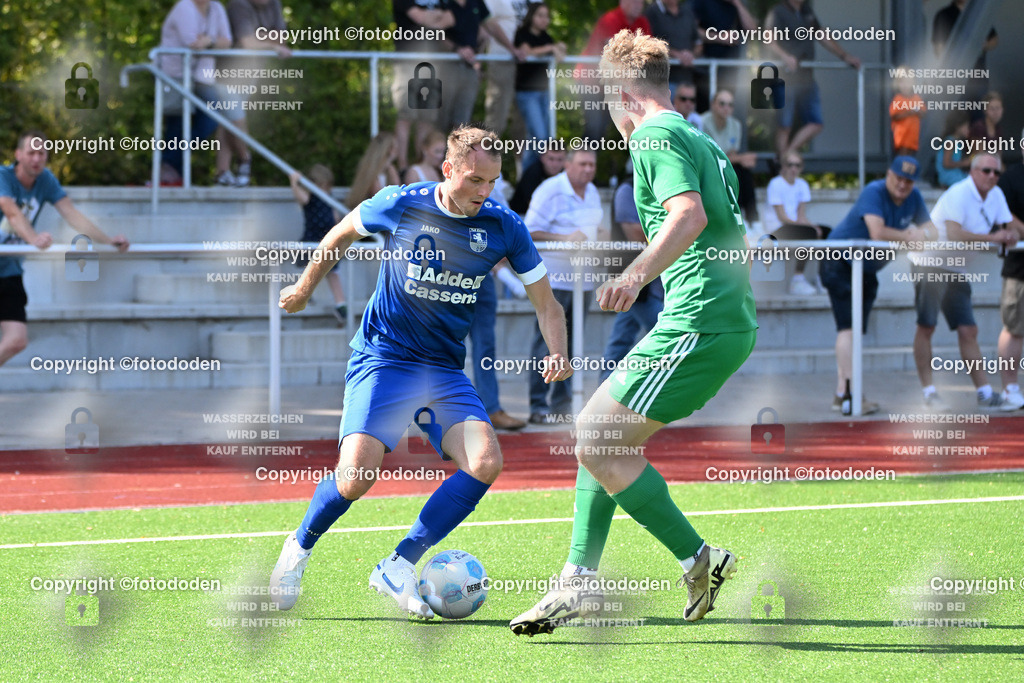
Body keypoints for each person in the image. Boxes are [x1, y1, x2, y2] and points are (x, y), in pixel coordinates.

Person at [510, 29, 757, 635]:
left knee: (595, 440)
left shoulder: (654, 134)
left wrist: (635, 273)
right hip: (714, 318)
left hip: (698, 321)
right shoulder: (698, 135)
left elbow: (689, 215)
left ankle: (696, 557)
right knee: (599, 437)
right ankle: (579, 581)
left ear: (623, 95)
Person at [269, 125, 571, 619]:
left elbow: (548, 304)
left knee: (485, 461)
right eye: (474, 180)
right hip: (384, 357)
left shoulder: (503, 225)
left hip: (442, 370)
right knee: (355, 477)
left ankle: (398, 563)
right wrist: (304, 288)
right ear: (447, 169)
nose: (483, 192)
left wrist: (557, 352)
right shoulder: (402, 202)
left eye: (492, 183)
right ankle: (297, 549)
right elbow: (340, 233)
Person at [0, 131, 130, 366]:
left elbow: (71, 214)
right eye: (31, 153)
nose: (36, 159)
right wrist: (33, 238)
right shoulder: (3, 176)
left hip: (8, 271)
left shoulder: (46, 180)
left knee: (17, 341)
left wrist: (107, 240)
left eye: (42, 154)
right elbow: (10, 210)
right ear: (18, 155)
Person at [820, 157, 937, 414]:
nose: (903, 185)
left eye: (909, 180)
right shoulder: (874, 191)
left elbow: (932, 230)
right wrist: (910, 236)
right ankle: (853, 393)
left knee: (854, 331)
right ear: (888, 174)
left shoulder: (914, 196)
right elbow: (877, 231)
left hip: (865, 268)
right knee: (848, 329)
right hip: (838, 261)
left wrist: (923, 234)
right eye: (899, 178)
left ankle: (843, 394)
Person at [909, 154, 1022, 411]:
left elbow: (1007, 225)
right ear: (973, 171)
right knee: (927, 327)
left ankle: (983, 393)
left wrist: (1011, 234)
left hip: (955, 267)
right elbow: (955, 233)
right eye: (986, 171)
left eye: (996, 173)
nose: (992, 176)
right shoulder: (959, 193)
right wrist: (994, 238)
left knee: (968, 330)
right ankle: (929, 392)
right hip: (929, 263)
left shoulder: (996, 196)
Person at [524, 149, 603, 423]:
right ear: (567, 165)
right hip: (553, 280)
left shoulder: (592, 191)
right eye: (582, 164)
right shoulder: (550, 190)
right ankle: (538, 406)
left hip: (584, 280)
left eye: (592, 164)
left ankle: (562, 407)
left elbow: (595, 229)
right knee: (546, 342)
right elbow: (529, 229)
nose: (588, 169)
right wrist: (565, 237)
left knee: (573, 344)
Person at [158, 0, 248, 186]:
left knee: (211, 118)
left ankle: (168, 164)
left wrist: (209, 40)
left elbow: (227, 42)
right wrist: (213, 42)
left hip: (201, 77)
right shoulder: (184, 7)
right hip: (175, 76)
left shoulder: (216, 8)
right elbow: (192, 43)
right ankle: (170, 172)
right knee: (177, 124)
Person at [764, 0, 861, 162]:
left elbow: (822, 35)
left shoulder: (806, 11)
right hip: (784, 78)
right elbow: (768, 40)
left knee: (816, 123)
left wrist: (845, 56)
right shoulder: (778, 11)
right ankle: (783, 166)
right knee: (784, 125)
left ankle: (783, 159)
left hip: (806, 78)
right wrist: (785, 56)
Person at [599, 160, 663, 382]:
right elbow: (635, 233)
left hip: (646, 281)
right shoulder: (627, 190)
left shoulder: (653, 190)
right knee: (663, 334)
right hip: (634, 280)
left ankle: (603, 390)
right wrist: (673, 234)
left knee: (621, 339)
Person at [391, 0, 455, 171]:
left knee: (427, 119)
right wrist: (435, 18)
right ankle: (403, 167)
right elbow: (420, 18)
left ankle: (421, 166)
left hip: (433, 63)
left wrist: (431, 18)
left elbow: (450, 19)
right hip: (407, 59)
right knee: (406, 116)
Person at [442, 0, 524, 131]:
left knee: (461, 125)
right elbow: (431, 31)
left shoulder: (476, 3)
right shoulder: (440, 2)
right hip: (442, 68)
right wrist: (457, 49)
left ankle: (457, 152)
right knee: (437, 122)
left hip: (468, 69)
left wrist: (512, 49)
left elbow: (491, 26)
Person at [577, 0, 651, 141]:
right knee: (594, 128)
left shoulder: (642, 22)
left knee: (608, 129)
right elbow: (615, 51)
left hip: (614, 85)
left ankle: (587, 161)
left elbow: (650, 51)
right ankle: (583, 161)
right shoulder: (610, 19)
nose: (639, 5)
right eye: (635, 2)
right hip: (590, 81)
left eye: (641, 2)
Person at [763, 151, 830, 295]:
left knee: (827, 231)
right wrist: (809, 228)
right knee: (808, 232)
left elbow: (801, 216)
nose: (793, 168)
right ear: (783, 166)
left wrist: (813, 227)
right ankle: (797, 280)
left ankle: (823, 277)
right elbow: (782, 217)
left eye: (797, 165)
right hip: (776, 231)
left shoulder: (802, 185)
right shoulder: (775, 184)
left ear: (801, 167)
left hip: (793, 226)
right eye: (790, 164)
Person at [289, 164, 346, 325]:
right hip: (312, 240)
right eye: (323, 187)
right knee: (308, 268)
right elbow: (301, 198)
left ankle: (340, 304)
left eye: (328, 187)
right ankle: (303, 294)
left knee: (333, 272)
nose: (326, 190)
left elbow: (336, 218)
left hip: (328, 240)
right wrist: (294, 182)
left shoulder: (330, 198)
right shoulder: (311, 198)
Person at [514, 3, 565, 172]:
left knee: (538, 139)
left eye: (547, 16)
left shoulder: (546, 37)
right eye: (540, 15)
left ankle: (527, 177)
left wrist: (559, 48)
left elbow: (560, 57)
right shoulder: (522, 34)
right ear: (532, 16)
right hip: (527, 94)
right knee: (542, 139)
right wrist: (551, 48)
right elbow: (526, 51)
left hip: (545, 93)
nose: (544, 19)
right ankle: (531, 179)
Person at [701, 89, 758, 226]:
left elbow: (731, 154)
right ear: (713, 105)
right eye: (722, 103)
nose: (726, 108)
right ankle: (741, 221)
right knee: (737, 171)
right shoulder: (702, 122)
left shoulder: (736, 125)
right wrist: (742, 158)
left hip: (725, 166)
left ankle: (752, 220)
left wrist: (742, 160)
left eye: (730, 105)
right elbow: (710, 157)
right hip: (707, 168)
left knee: (743, 172)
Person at [690, 0, 758, 113]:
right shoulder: (700, 2)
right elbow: (692, 30)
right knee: (704, 112)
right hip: (704, 70)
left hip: (729, 72)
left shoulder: (738, 5)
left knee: (724, 112)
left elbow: (752, 30)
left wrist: (738, 4)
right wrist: (719, 37)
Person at [996, 161, 1024, 410]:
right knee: (1014, 328)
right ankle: (1010, 390)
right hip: (1020, 269)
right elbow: (1003, 215)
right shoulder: (1011, 177)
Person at [644, 0, 702, 101]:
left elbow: (698, 43)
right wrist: (676, 54)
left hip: (687, 82)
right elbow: (648, 42)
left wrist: (691, 55)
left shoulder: (687, 11)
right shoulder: (651, 12)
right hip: (661, 82)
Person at [346, 133, 402, 209]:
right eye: (395, 147)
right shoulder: (371, 172)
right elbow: (379, 197)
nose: (398, 150)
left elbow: (398, 194)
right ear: (389, 149)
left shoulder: (389, 170)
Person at [509, 146, 565, 217]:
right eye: (551, 159)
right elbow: (534, 206)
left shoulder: (566, 174)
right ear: (542, 158)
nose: (555, 164)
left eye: (560, 160)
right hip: (522, 215)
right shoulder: (532, 173)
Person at [890, 68, 925, 157]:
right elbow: (894, 116)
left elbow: (923, 112)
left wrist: (918, 111)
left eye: (908, 82)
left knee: (910, 161)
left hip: (913, 138)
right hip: (902, 138)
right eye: (902, 82)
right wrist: (909, 112)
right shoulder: (898, 99)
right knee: (903, 159)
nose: (905, 86)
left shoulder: (917, 98)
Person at [936, 111, 972, 189]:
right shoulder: (950, 142)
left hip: (957, 174)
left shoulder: (957, 142)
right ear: (958, 126)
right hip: (949, 176)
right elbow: (946, 163)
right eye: (966, 126)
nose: (968, 130)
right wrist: (964, 163)